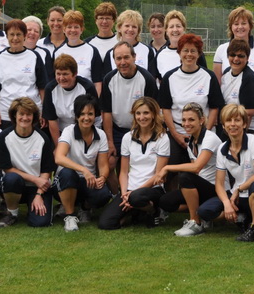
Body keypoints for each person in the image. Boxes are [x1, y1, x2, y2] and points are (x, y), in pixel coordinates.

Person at [197, 104, 254, 242]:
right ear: (223, 126)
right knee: (204, 211)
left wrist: (239, 189)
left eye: (237, 120)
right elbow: (219, 183)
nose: (233, 124)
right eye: (228, 120)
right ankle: (240, 218)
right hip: (237, 196)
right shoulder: (222, 149)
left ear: (244, 124)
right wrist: (226, 203)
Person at [98, 97, 170, 230]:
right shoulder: (127, 137)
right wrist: (124, 194)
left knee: (137, 198)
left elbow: (159, 174)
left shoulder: (162, 138)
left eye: (146, 113)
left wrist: (133, 194)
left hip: (152, 189)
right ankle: (136, 212)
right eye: (138, 113)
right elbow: (123, 171)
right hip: (130, 190)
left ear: (153, 114)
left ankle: (153, 210)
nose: (142, 117)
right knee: (106, 223)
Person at [157, 102, 223, 236]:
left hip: (216, 188)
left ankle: (196, 222)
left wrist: (167, 167)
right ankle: (203, 213)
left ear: (201, 120)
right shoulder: (191, 141)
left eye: (191, 120)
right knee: (165, 201)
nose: (186, 124)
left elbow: (196, 167)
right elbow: (196, 170)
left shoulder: (210, 137)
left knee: (185, 177)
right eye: (184, 120)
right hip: (201, 186)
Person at [101, 41, 158, 193]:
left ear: (134, 57)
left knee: (142, 165)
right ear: (114, 60)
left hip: (141, 129)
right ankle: (119, 195)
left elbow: (153, 111)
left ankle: (142, 195)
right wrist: (110, 142)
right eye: (118, 58)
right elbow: (106, 112)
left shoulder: (146, 78)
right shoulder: (109, 79)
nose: (123, 62)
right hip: (117, 130)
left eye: (126, 57)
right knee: (109, 163)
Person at [159, 34, 223, 167]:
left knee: (201, 171)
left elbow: (214, 108)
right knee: (171, 170)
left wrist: (204, 134)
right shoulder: (169, 77)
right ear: (179, 53)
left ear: (199, 54)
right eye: (185, 50)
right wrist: (175, 134)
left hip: (202, 133)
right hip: (177, 133)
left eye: (193, 51)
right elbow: (166, 108)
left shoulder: (208, 76)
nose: (189, 54)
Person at [54, 95, 112, 232]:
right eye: (82, 114)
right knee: (67, 173)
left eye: (90, 114)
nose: (86, 118)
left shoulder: (101, 134)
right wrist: (83, 170)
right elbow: (59, 158)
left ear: (95, 115)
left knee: (104, 195)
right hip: (66, 180)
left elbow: (103, 165)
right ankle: (70, 216)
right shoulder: (68, 131)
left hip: (88, 181)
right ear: (76, 115)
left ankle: (85, 208)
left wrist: (102, 177)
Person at [0, 98, 54, 227]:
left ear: (34, 117)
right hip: (16, 184)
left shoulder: (43, 138)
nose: (25, 118)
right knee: (11, 178)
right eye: (21, 114)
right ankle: (12, 213)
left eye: (29, 114)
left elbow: (46, 171)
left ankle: (33, 206)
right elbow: (7, 168)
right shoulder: (4, 137)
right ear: (14, 115)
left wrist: (39, 194)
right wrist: (35, 179)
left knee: (40, 222)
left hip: (37, 187)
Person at [0, 19, 47, 129]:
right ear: (7, 36)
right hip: (6, 114)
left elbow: (42, 87)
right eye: (11, 34)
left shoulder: (34, 57)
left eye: (18, 34)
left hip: (30, 114)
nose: (15, 38)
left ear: (24, 36)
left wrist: (44, 111)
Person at [219, 39, 254, 147]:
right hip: (234, 124)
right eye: (232, 55)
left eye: (241, 56)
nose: (236, 59)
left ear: (247, 58)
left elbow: (249, 113)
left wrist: (238, 141)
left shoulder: (249, 78)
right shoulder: (227, 73)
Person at [43, 54, 98, 146]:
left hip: (84, 131)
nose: (61, 78)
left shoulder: (87, 87)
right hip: (61, 133)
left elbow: (95, 117)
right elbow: (52, 120)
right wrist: (58, 146)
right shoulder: (50, 89)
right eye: (58, 74)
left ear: (75, 73)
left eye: (65, 74)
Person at [213, 7, 254, 92]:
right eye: (236, 24)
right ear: (231, 27)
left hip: (252, 98)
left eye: (244, 23)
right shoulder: (221, 49)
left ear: (250, 26)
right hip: (227, 99)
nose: (240, 27)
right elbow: (217, 82)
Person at [53, 10, 103, 95]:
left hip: (86, 99)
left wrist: (94, 101)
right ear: (64, 29)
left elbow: (97, 83)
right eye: (69, 27)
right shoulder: (57, 52)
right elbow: (54, 82)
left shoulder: (92, 51)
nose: (73, 30)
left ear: (81, 29)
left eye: (76, 27)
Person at [150, 10, 207, 83]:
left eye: (178, 26)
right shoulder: (160, 55)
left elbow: (204, 77)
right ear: (166, 30)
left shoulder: (194, 52)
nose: (175, 30)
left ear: (184, 29)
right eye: (171, 27)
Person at [101, 10, 154, 75]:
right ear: (119, 28)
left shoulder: (148, 51)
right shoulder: (110, 54)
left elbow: (151, 78)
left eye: (134, 27)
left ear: (138, 30)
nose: (130, 29)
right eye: (127, 26)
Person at [23, 15, 54, 81]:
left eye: (36, 31)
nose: (32, 33)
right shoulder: (12, 52)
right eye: (29, 30)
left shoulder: (45, 53)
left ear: (39, 36)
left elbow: (49, 78)